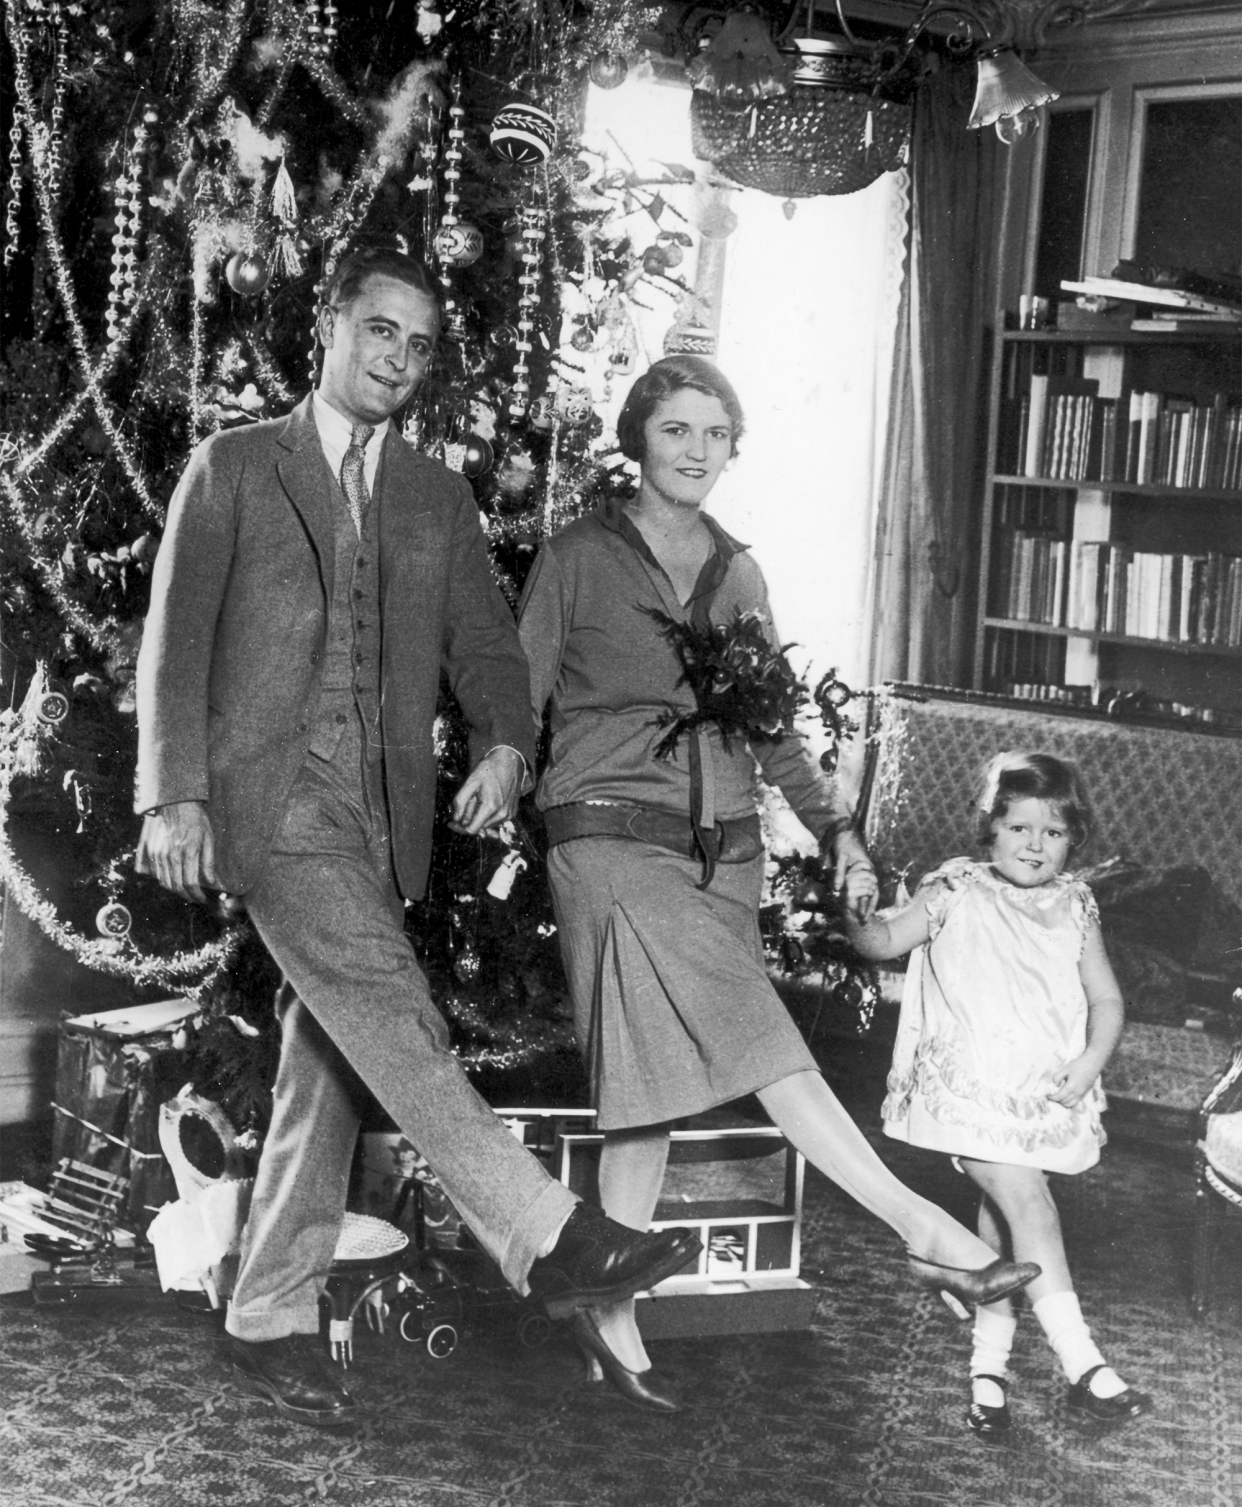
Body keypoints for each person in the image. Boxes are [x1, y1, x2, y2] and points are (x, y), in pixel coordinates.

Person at [134, 248, 699, 1430]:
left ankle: (266, 1309)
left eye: (418, 344)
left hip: (374, 814)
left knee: (329, 1048)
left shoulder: (436, 498)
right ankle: (542, 1233)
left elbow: (490, 648)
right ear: (331, 327)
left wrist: (503, 743)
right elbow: (175, 640)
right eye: (378, 330)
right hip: (265, 801)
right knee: (392, 1011)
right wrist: (169, 793)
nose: (396, 357)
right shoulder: (235, 467)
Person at [516, 355, 1039, 1413]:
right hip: (607, 836)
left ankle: (609, 1323)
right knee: (761, 1037)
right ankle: (926, 1232)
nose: (697, 450)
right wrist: (500, 790)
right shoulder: (575, 558)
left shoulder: (738, 571)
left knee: (644, 1091)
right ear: (639, 436)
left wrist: (841, 828)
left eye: (717, 433)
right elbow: (517, 698)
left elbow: (770, 727)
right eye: (677, 429)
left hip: (723, 850)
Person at [847, 751, 1150, 1436]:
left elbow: (1106, 998)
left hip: (1036, 1095)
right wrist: (856, 915)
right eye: (1019, 828)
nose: (1035, 845)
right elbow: (883, 940)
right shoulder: (956, 888)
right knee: (1029, 1201)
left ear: (1074, 839)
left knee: (1004, 1221)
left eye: (1054, 832)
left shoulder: (1074, 903)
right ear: (990, 828)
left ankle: (988, 1374)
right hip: (969, 1093)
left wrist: (1091, 1059)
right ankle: (1086, 1368)